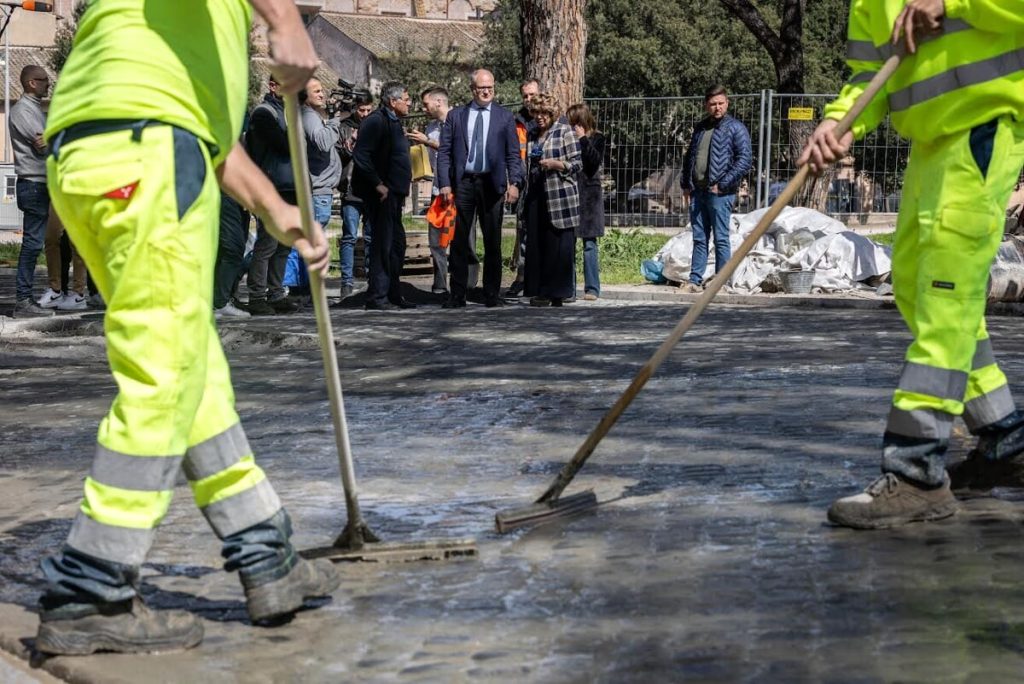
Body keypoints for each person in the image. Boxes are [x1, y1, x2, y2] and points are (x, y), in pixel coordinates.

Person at [34, 0, 338, 655]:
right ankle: (90, 589)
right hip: (149, 154)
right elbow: (176, 125)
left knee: (192, 368)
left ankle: (266, 553)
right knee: (165, 375)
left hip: (101, 152)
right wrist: (285, 20)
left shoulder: (165, 36)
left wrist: (279, 210)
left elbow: (212, 139)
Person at [799, 0, 1024, 529]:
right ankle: (1004, 436)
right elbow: (870, 76)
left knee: (946, 296)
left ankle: (916, 470)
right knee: (916, 289)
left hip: (981, 133)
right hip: (929, 148)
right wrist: (841, 122)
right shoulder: (865, 4)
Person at [436, 68, 523, 308]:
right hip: (464, 182)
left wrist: (514, 182)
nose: (486, 91)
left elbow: (513, 154)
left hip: (491, 183)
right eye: (482, 88)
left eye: (490, 87)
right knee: (461, 240)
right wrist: (444, 182)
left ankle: (491, 294)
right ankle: (458, 293)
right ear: (472, 89)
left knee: (493, 241)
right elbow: (444, 152)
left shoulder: (504, 117)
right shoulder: (457, 116)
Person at [678, 85, 752, 293]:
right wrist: (685, 184)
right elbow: (690, 157)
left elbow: (744, 160)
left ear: (727, 103)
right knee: (699, 237)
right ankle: (694, 280)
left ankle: (721, 281)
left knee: (721, 238)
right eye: (712, 104)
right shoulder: (700, 128)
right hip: (697, 192)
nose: (717, 108)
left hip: (720, 193)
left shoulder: (736, 128)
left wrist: (724, 184)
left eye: (720, 103)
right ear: (706, 105)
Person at [351, 81, 415, 311]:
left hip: (395, 195)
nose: (409, 103)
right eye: (405, 99)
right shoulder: (376, 121)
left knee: (397, 245)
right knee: (383, 245)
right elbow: (362, 156)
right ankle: (377, 297)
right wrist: (378, 184)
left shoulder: (394, 122)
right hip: (382, 195)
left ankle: (393, 293)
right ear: (392, 101)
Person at [283, 77, 342, 299]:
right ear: (304, 96)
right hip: (316, 190)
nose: (321, 94)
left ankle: (303, 288)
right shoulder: (308, 116)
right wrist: (335, 120)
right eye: (316, 91)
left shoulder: (312, 116)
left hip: (320, 189)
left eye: (322, 90)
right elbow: (323, 142)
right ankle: (298, 289)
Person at [521, 93, 582, 307]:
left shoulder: (565, 132)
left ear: (552, 113)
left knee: (559, 245)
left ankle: (559, 292)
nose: (539, 117)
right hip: (537, 194)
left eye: (544, 113)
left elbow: (577, 164)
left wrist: (558, 164)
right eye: (535, 112)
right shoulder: (532, 134)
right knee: (538, 243)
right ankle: (541, 291)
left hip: (560, 196)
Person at [245, 75, 299, 315]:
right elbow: (285, 145)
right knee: (267, 244)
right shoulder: (264, 114)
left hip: (289, 187)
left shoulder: (287, 112)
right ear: (273, 86)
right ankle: (257, 296)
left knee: (284, 245)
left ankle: (276, 293)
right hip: (271, 187)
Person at [9, 65, 54, 317]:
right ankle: (23, 300)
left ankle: (26, 298)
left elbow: (49, 140)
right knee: (32, 243)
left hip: (41, 183)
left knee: (37, 243)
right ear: (31, 83)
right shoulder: (22, 111)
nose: (49, 84)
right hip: (33, 184)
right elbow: (42, 146)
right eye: (44, 80)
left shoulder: (35, 109)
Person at [409, 86, 451, 295]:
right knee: (436, 240)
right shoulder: (431, 128)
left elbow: (455, 152)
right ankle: (440, 283)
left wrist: (429, 143)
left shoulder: (458, 122)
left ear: (438, 102)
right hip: (437, 188)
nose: (423, 108)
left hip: (458, 190)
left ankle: (466, 285)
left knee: (461, 239)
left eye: (426, 104)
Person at [504, 78, 540, 300]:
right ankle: (521, 277)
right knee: (523, 231)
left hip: (543, 182)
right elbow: (513, 155)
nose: (528, 100)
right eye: (525, 96)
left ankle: (540, 277)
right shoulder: (515, 121)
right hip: (523, 183)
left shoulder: (550, 119)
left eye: (532, 95)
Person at [336, 94, 374, 299]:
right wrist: (351, 142)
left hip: (371, 189)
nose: (365, 114)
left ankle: (371, 280)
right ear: (355, 109)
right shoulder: (344, 127)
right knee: (349, 236)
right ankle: (346, 283)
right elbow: (338, 154)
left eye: (369, 110)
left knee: (370, 237)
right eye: (361, 110)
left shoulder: (376, 125)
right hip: (351, 189)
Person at [566, 103, 605, 301]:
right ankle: (568, 288)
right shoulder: (567, 139)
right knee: (568, 242)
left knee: (589, 243)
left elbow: (592, 163)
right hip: (571, 193)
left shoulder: (597, 138)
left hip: (589, 196)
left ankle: (592, 288)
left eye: (574, 123)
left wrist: (582, 139)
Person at [38, 210, 90, 311]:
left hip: (78, 197)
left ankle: (78, 295)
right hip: (57, 197)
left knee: (77, 242)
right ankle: (55, 291)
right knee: (50, 238)